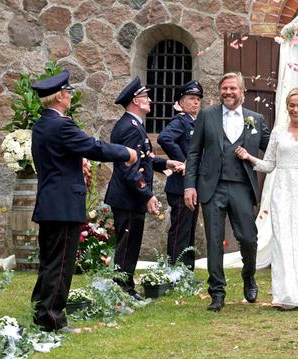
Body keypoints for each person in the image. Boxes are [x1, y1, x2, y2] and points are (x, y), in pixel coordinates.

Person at [30, 70, 138, 332]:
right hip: (64, 205)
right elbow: (94, 147)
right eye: (68, 92)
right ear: (59, 96)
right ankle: (52, 319)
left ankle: (40, 309)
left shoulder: (41, 124)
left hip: (49, 202)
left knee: (49, 261)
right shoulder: (61, 125)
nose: (70, 95)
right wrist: (125, 152)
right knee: (61, 265)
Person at [235, 88, 298, 311]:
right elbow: (269, 165)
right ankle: (287, 294)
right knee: (284, 238)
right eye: (292, 105)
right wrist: (248, 157)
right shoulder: (278, 132)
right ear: (287, 107)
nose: (296, 109)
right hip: (284, 189)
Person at [184, 72, 271, 312]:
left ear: (242, 92)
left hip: (242, 186)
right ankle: (217, 292)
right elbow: (194, 153)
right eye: (224, 88)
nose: (228, 92)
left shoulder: (256, 119)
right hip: (212, 187)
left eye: (233, 88)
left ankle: (249, 276)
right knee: (214, 240)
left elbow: (274, 148)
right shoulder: (206, 116)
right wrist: (190, 185)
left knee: (248, 238)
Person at [105, 77, 182, 300]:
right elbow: (129, 169)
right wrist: (147, 194)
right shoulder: (129, 128)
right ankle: (122, 288)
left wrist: (166, 163)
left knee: (130, 243)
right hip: (128, 197)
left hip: (130, 197)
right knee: (127, 244)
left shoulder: (134, 125)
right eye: (146, 97)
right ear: (136, 101)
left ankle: (125, 285)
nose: (150, 100)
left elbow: (144, 158)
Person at [157, 80, 203, 269]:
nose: (196, 102)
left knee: (189, 230)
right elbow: (164, 138)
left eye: (198, 99)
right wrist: (183, 161)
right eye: (191, 98)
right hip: (179, 186)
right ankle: (175, 271)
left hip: (191, 185)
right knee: (180, 230)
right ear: (181, 102)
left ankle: (187, 271)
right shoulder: (181, 121)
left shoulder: (194, 122)